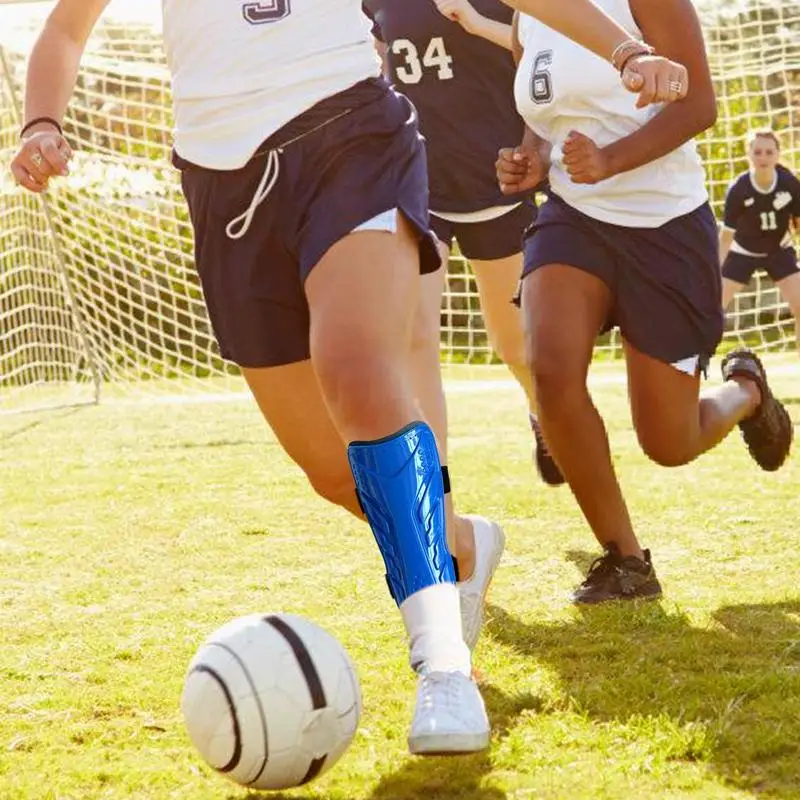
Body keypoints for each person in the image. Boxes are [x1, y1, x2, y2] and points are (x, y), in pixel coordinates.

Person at [11, 0, 688, 754]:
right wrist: (41, 123)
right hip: (221, 183)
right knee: (333, 472)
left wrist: (626, 51)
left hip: (349, 135)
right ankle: (459, 542)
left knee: (360, 375)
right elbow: (65, 29)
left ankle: (444, 668)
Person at [497, 0, 794, 605]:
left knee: (669, 443)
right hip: (574, 216)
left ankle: (746, 391)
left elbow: (700, 104)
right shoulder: (530, 13)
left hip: (665, 227)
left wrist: (610, 160)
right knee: (550, 370)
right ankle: (625, 560)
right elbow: (543, 120)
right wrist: (531, 159)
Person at [363, 0, 564, 486]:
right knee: (413, 338)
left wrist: (477, 24)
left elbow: (544, 52)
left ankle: (542, 413)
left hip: (496, 180)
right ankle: (435, 493)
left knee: (513, 343)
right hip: (416, 182)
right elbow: (380, 57)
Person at [719, 129, 800, 355]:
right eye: (757, 152)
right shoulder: (738, 189)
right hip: (742, 251)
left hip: (779, 249)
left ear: (778, 154)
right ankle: (698, 360)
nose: (763, 157)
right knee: (712, 308)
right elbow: (726, 236)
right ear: (748, 154)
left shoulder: (790, 184)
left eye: (769, 152)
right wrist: (714, 268)